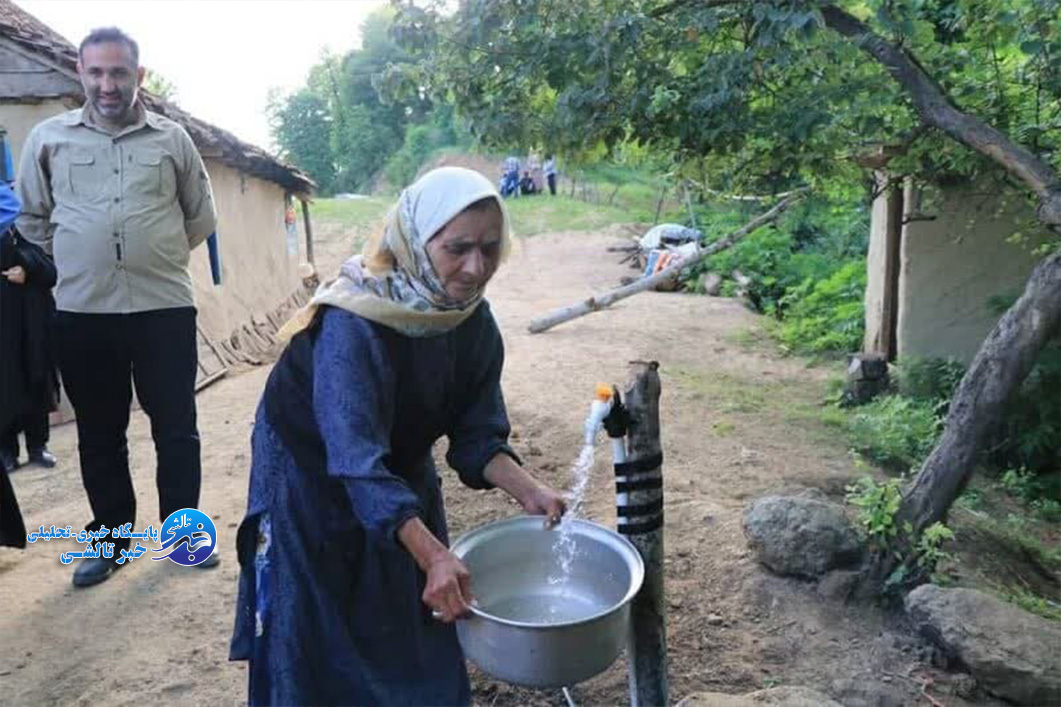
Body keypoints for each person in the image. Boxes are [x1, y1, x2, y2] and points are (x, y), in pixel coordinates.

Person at [229, 167, 567, 706]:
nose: (475, 267)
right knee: (320, 608)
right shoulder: (356, 321)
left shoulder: (470, 321)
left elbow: (477, 432)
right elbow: (355, 461)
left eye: (488, 248)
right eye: (457, 248)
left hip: (392, 462)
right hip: (309, 472)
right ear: (415, 241)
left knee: (412, 605)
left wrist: (529, 491)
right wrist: (432, 554)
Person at [16, 27, 219, 587]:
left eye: (119, 72)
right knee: (99, 433)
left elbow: (200, 216)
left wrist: (154, 253)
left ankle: (183, 539)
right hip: (84, 313)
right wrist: (85, 260)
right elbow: (33, 220)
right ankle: (111, 541)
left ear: (139, 76)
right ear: (80, 74)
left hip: (163, 308)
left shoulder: (171, 139)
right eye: (97, 72)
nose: (108, 84)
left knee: (176, 427)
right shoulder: (49, 140)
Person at [0, 181, 59, 475]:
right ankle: (6, 452)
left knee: (36, 377)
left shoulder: (25, 232)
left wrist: (27, 268)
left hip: (30, 323)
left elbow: (50, 272)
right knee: (4, 385)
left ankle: (38, 446)